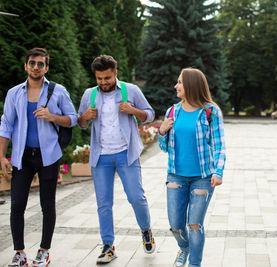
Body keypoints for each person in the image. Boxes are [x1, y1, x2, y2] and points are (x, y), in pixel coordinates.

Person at [0, 48, 78, 267]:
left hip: (49, 156)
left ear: (47, 67)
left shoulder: (58, 91)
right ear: (26, 66)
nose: (36, 67)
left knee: (47, 204)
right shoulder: (14, 93)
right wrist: (2, 156)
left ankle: (44, 251)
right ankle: (19, 253)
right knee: (16, 204)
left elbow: (72, 119)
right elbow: (6, 124)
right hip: (22, 156)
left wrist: (51, 116)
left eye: (40, 64)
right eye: (32, 63)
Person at [77, 55, 156, 264]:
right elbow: (80, 123)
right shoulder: (89, 94)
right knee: (104, 203)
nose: (103, 82)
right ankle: (108, 246)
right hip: (101, 156)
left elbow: (149, 115)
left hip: (126, 153)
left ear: (115, 74)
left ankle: (146, 229)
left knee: (136, 197)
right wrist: (85, 116)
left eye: (107, 78)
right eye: (99, 78)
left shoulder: (131, 90)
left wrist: (133, 110)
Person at [158, 68, 226, 267]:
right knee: (176, 225)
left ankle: (194, 263)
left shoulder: (210, 111)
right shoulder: (173, 111)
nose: (176, 86)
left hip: (203, 177)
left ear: (191, 85)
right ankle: (185, 248)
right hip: (176, 176)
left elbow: (219, 145)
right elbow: (165, 148)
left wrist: (218, 172)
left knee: (195, 225)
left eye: (179, 82)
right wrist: (162, 131)